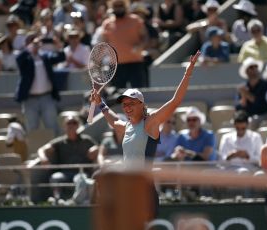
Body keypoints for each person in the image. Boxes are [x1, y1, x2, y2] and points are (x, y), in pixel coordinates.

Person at [90, 51, 200, 215]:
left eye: (131, 103)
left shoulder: (150, 123)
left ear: (142, 104)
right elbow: (113, 120)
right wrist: (101, 104)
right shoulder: (127, 126)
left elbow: (175, 101)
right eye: (124, 104)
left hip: (144, 189)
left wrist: (188, 72)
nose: (127, 107)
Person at [15, 32, 65, 136]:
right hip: (30, 100)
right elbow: (18, 60)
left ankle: (56, 150)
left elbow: (60, 58)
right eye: (31, 41)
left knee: (52, 127)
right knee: (32, 129)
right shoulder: (24, 57)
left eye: (35, 41)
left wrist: (58, 46)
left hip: (47, 98)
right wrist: (30, 48)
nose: (34, 43)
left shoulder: (44, 56)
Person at [37, 115, 98, 200]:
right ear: (64, 126)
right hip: (65, 173)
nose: (71, 125)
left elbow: (100, 149)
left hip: (81, 172)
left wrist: (95, 149)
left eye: (74, 123)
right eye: (69, 123)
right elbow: (42, 149)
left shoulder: (86, 140)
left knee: (81, 180)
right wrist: (43, 158)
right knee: (55, 178)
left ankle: (76, 202)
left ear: (78, 125)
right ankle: (58, 201)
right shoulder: (60, 142)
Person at [100, 0, 148, 88]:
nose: (118, 8)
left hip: (136, 63)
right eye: (116, 6)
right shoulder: (107, 24)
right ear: (112, 8)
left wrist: (141, 46)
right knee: (117, 96)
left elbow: (145, 37)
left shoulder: (135, 20)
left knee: (138, 94)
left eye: (120, 5)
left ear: (125, 7)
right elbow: (103, 44)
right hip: (115, 66)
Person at [236, 57, 267, 129]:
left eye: (256, 67)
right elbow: (239, 108)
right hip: (248, 118)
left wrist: (247, 94)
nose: (255, 69)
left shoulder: (266, 85)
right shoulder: (243, 87)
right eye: (251, 67)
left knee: (252, 121)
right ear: (246, 71)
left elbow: (263, 105)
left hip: (264, 116)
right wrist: (243, 97)